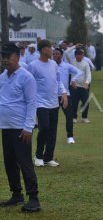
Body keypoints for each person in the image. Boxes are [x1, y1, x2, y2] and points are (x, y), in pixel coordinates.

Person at [0, 43, 41, 212]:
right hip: (6, 126)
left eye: (7, 57)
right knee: (9, 163)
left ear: (17, 57)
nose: (4, 60)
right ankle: (16, 194)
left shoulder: (26, 77)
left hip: (20, 128)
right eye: (2, 57)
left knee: (24, 163)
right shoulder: (3, 76)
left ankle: (33, 198)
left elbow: (32, 103)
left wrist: (28, 127)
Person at [28, 39, 68, 167]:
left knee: (52, 131)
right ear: (43, 50)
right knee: (44, 128)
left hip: (54, 103)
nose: (52, 50)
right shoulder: (33, 65)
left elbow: (58, 81)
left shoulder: (54, 65)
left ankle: (48, 157)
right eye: (50, 48)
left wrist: (64, 93)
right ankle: (38, 156)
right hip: (40, 103)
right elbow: (28, 84)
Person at [53, 47, 83, 144]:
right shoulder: (50, 66)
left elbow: (79, 72)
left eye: (57, 54)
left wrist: (73, 80)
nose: (55, 55)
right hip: (53, 96)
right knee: (53, 118)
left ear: (61, 55)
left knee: (69, 116)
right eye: (54, 54)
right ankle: (52, 137)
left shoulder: (66, 66)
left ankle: (70, 136)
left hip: (66, 95)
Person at [70, 48, 92, 123]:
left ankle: (84, 117)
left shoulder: (86, 64)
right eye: (78, 55)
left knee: (86, 102)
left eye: (81, 54)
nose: (80, 56)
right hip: (74, 86)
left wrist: (87, 82)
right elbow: (66, 53)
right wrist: (74, 46)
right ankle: (74, 117)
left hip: (83, 87)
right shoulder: (72, 63)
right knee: (74, 103)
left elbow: (88, 74)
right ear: (75, 55)